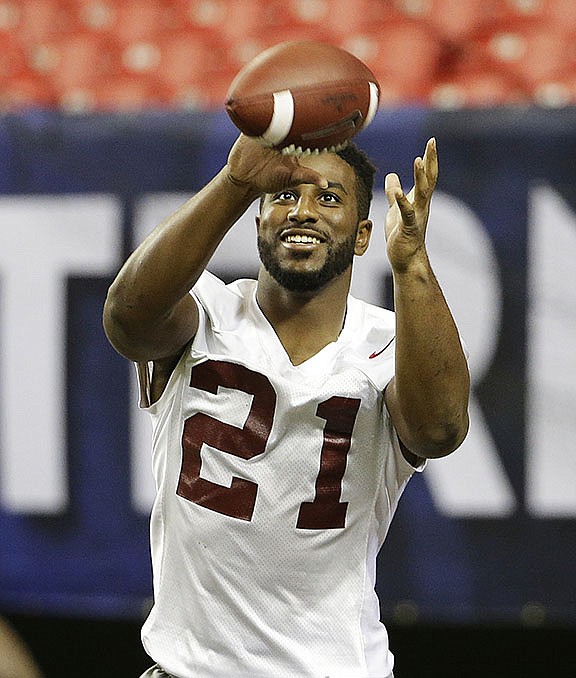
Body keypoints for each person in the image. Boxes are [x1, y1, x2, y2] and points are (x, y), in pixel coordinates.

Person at [103, 133, 470, 678]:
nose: (302, 211)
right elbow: (127, 320)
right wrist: (235, 184)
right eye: (283, 195)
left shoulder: (393, 342)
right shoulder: (206, 308)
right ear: (257, 222)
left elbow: (440, 430)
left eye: (328, 198)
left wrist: (412, 262)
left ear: (363, 232)